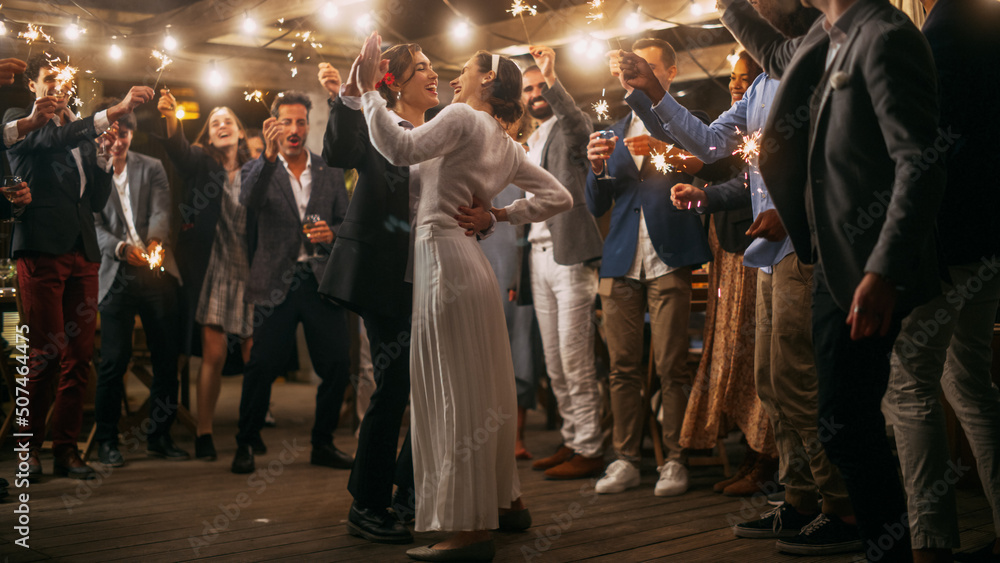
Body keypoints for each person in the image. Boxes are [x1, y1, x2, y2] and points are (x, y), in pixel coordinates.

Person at [707, 0, 946, 559]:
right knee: (841, 417)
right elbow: (772, 52)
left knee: (848, 417)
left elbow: (920, 161)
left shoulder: (886, 35)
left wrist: (884, 268)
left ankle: (891, 546)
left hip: (867, 264)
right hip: (828, 259)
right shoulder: (826, 33)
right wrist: (729, 7)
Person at [354, 33, 572, 561]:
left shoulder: (464, 119)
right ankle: (507, 502)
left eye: (465, 72)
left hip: (440, 258)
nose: (454, 80)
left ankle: (469, 533)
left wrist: (367, 94)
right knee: (485, 387)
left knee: (450, 394)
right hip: (472, 266)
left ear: (488, 80)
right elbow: (558, 197)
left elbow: (400, 147)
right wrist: (498, 215)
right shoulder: (505, 142)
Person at [319, 49, 494, 543]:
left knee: (438, 388)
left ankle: (411, 490)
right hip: (382, 274)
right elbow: (336, 153)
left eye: (433, 67)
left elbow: (467, 192)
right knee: (395, 386)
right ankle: (367, 504)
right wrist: (353, 95)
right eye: (422, 68)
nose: (434, 73)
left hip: (436, 272)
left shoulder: (445, 128)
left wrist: (487, 217)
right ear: (394, 81)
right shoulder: (380, 124)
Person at [884, 0, 1000, 561]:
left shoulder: (949, 27)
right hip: (986, 238)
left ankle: (931, 542)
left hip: (945, 236)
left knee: (911, 385)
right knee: (972, 384)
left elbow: (926, 141)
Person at [4, 49, 153, 480]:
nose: (55, 85)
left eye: (60, 79)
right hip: (41, 250)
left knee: (80, 357)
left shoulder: (80, 131)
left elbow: (96, 201)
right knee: (44, 353)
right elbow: (50, 140)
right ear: (33, 84)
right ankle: (27, 451)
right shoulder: (23, 120)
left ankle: (66, 451)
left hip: (83, 253)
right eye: (47, 78)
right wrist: (114, 112)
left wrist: (105, 157)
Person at [583, 38, 712, 497]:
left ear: (670, 73)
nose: (632, 74)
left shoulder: (685, 125)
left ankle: (675, 460)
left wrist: (668, 148)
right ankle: (624, 459)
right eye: (628, 67)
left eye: (647, 67)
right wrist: (596, 169)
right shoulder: (612, 129)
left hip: (670, 254)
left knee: (672, 363)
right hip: (619, 258)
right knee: (621, 367)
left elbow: (711, 169)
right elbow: (595, 202)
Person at [231, 90, 352, 474]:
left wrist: (331, 234)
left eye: (301, 122)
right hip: (274, 281)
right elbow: (247, 200)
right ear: (274, 126)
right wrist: (267, 157)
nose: (295, 129)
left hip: (320, 281)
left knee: (337, 365)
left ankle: (323, 442)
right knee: (262, 366)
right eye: (287, 121)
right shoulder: (258, 167)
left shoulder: (330, 170)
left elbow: (347, 223)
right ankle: (246, 442)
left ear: (309, 125)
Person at [676, 51, 778, 499]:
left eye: (745, 77)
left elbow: (747, 182)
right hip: (727, 247)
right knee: (734, 357)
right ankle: (751, 455)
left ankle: (767, 460)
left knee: (758, 358)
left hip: (756, 244)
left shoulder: (766, 116)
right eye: (733, 78)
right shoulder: (736, 118)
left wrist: (703, 191)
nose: (736, 85)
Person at [517, 46, 606, 482]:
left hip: (570, 257)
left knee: (575, 359)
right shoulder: (528, 139)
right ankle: (573, 438)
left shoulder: (567, 130)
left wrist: (553, 79)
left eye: (540, 86)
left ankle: (590, 447)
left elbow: (578, 123)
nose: (535, 94)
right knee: (553, 363)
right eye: (529, 89)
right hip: (537, 257)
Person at [156, 92, 254, 461]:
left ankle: (251, 430)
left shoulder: (256, 170)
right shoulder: (200, 162)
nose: (222, 125)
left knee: (254, 354)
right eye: (215, 123)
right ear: (209, 137)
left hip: (249, 270)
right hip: (213, 268)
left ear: (240, 132)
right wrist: (171, 118)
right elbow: (179, 149)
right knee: (212, 353)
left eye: (228, 120)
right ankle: (205, 433)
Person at [92, 99, 188, 467]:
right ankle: (106, 440)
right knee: (114, 360)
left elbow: (164, 208)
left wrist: (155, 241)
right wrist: (118, 248)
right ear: (103, 133)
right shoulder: (93, 171)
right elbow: (94, 225)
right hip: (116, 275)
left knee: (167, 358)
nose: (118, 141)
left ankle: (160, 436)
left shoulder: (153, 167)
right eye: (112, 133)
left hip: (156, 272)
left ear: (132, 134)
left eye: (126, 133)